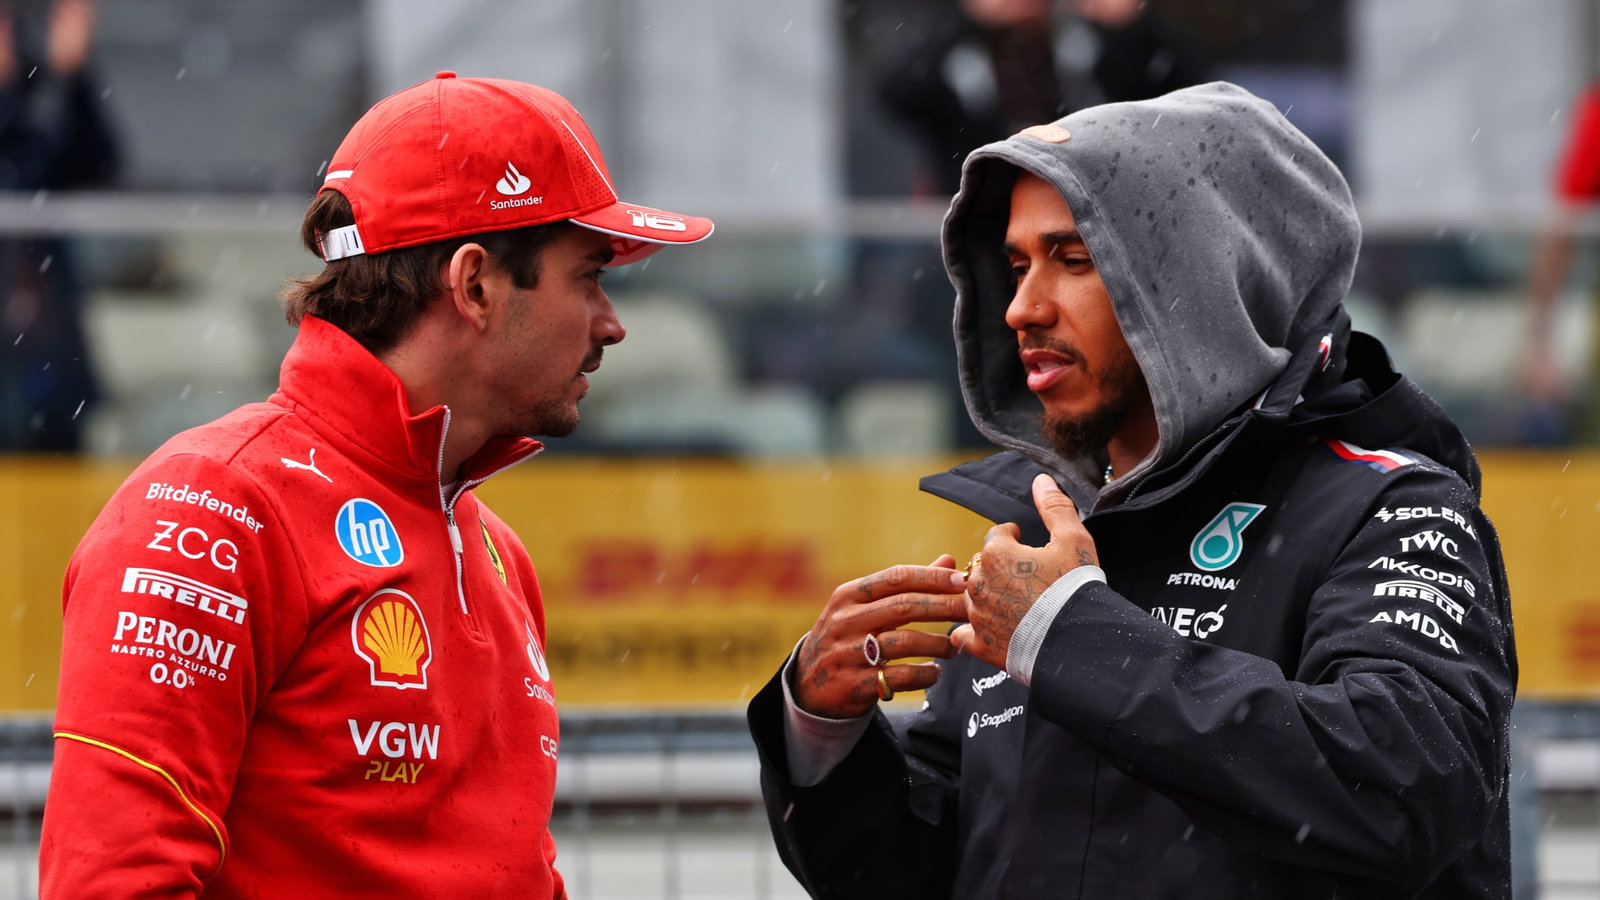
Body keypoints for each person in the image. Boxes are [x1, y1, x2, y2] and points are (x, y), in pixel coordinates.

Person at [747, 82, 1517, 898]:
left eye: (1074, 260)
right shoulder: (1040, 538)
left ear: (1204, 284)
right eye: (1017, 265)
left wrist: (1071, 637)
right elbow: (934, 872)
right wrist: (820, 731)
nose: (1021, 309)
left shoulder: (1390, 510)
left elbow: (1405, 791)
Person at [40, 71, 712, 897]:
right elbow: (111, 883)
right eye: (589, 276)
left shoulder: (497, 552)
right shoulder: (209, 510)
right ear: (474, 284)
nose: (612, 322)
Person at [0, 0, 120, 451]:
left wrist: (74, 76)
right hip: (22, 353)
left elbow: (95, 160)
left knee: (54, 443)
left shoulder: (32, 123)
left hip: (45, 350)